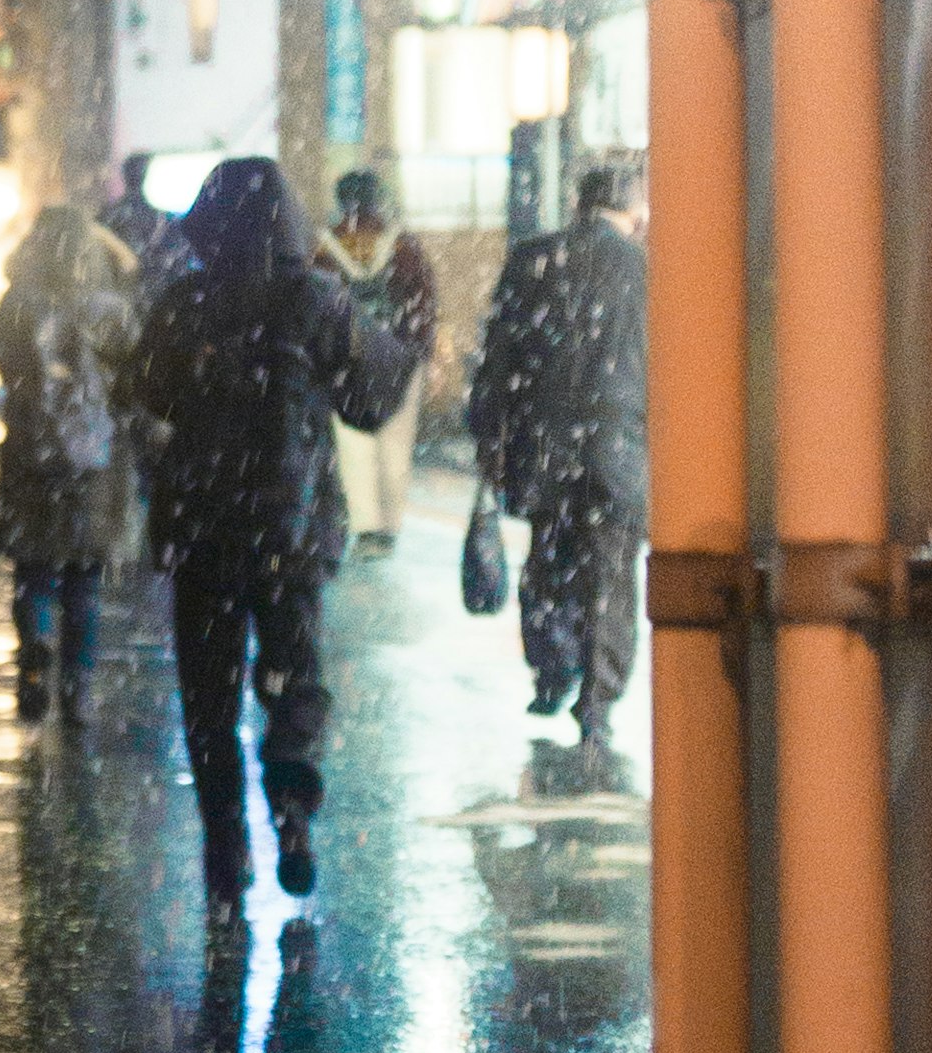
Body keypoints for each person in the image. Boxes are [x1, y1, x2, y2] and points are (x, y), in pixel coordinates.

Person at [121, 156, 415, 909]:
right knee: (295, 676)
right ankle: (291, 812)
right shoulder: (318, 300)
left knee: (209, 696)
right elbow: (371, 401)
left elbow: (142, 390)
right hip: (291, 529)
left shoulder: (186, 301)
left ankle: (226, 845)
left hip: (203, 530)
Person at [464, 153, 651, 740]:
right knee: (610, 573)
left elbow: (497, 360)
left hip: (543, 443)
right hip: (617, 446)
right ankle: (596, 701)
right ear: (633, 206)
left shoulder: (531, 260)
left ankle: (550, 673)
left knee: (550, 557)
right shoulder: (645, 270)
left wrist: (488, 432)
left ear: (580, 201)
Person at [0, 195, 140, 720]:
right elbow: (135, 375)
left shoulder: (18, 302)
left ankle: (34, 653)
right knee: (84, 580)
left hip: (31, 451)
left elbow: (2, 362)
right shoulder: (110, 307)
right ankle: (77, 691)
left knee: (33, 571)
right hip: (94, 457)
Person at [325, 164, 440, 545]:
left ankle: (365, 523)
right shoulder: (404, 246)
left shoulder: (327, 247)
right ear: (379, 200)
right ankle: (390, 523)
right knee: (395, 440)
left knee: (352, 442)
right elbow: (424, 304)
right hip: (399, 358)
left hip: (344, 359)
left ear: (342, 202)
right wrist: (420, 351)